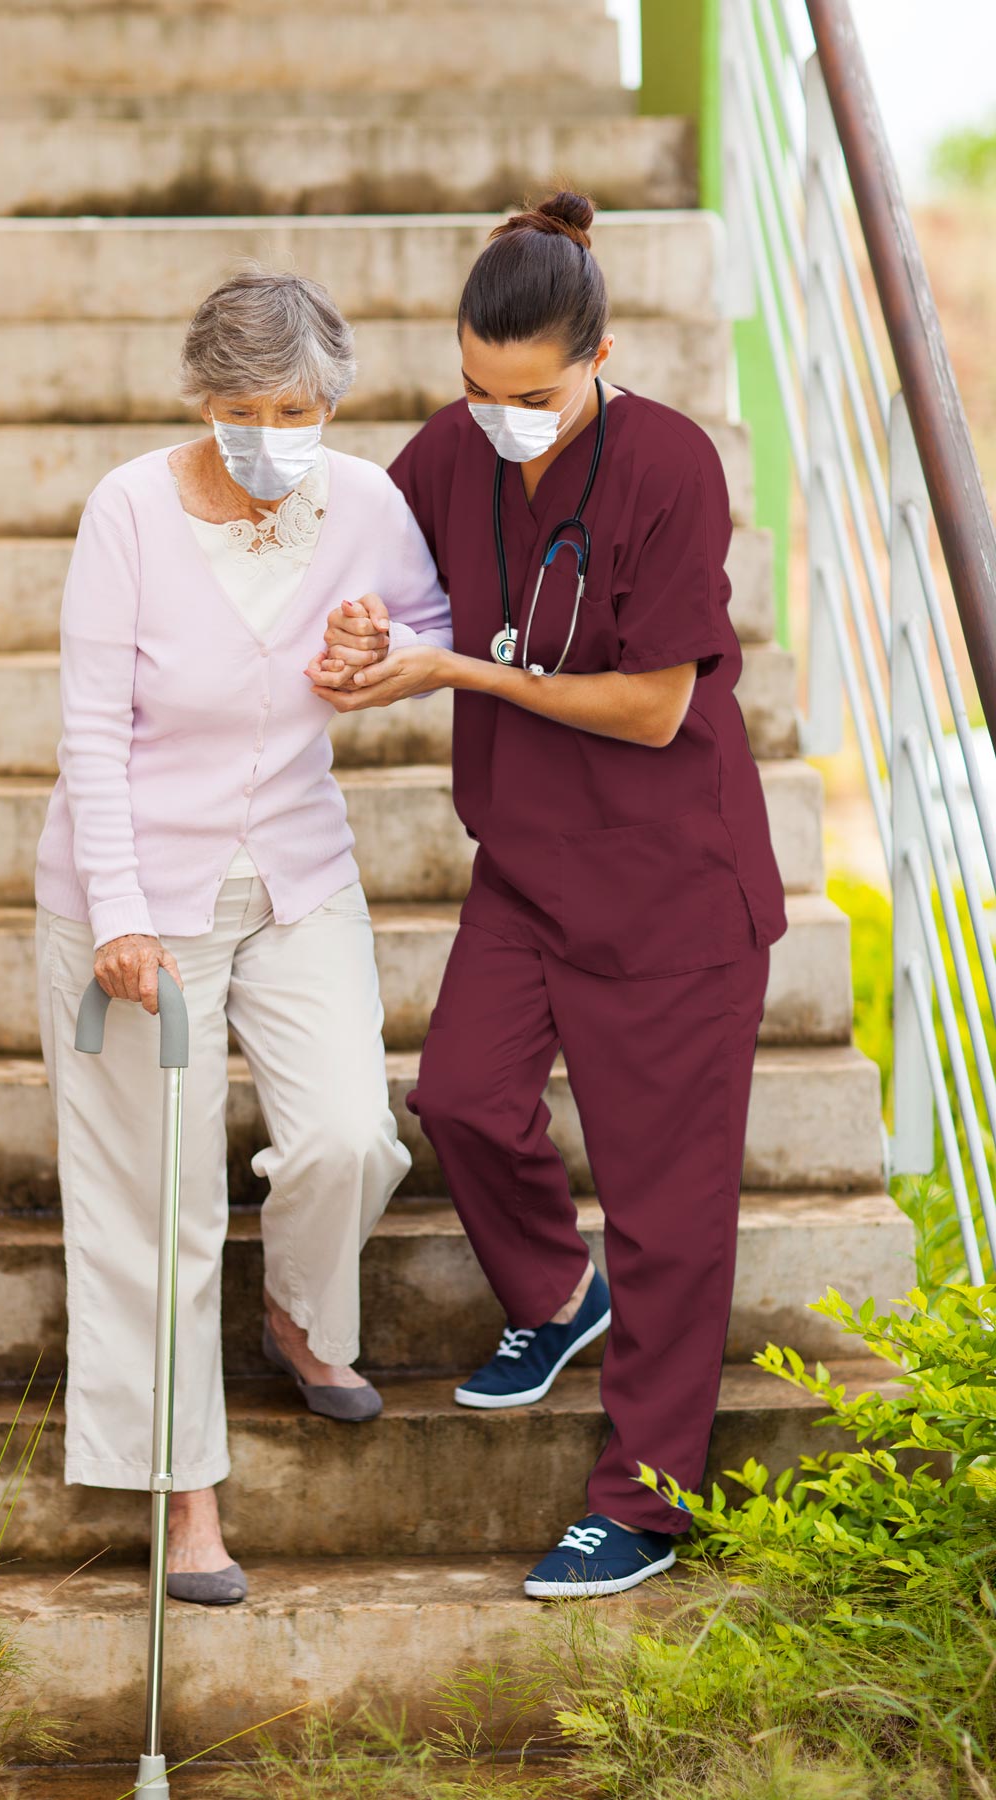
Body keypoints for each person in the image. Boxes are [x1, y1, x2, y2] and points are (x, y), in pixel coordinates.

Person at [307, 192, 788, 1600]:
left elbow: (651, 709)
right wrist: (362, 632)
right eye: (473, 385)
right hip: (526, 863)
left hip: (672, 889)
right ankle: (555, 1297)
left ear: (601, 355)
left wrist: (451, 674)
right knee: (459, 1095)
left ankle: (641, 1501)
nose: (494, 416)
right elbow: (385, 572)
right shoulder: (457, 448)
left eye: (529, 394)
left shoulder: (672, 464)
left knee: (667, 1213)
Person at [34, 270, 452, 1606]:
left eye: (301, 405)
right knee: (156, 1205)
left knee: (347, 1134)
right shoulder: (131, 515)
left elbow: (428, 629)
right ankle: (187, 1502)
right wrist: (119, 914)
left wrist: (376, 647)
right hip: (135, 895)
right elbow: (93, 732)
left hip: (295, 872)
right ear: (201, 400)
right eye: (246, 406)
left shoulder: (365, 500)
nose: (275, 428)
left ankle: (296, 1316)